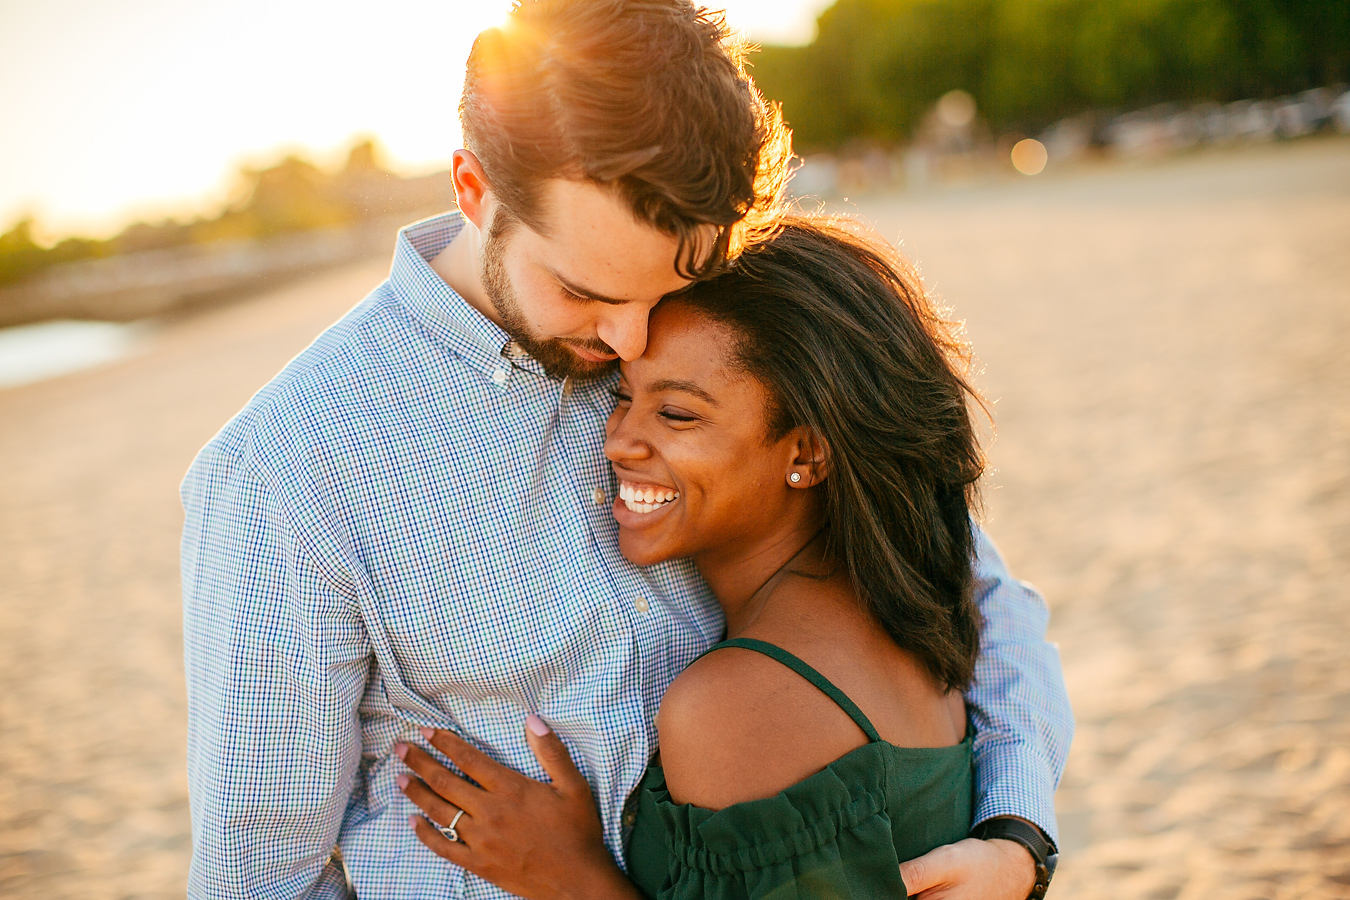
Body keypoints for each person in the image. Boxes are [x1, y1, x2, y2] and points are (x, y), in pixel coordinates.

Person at [179, 2, 1071, 898]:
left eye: (669, 289)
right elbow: (259, 879)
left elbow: (971, 587)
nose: (633, 337)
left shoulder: (715, 286)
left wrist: (1018, 836)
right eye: (583, 292)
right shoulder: (285, 473)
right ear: (472, 188)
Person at [393, 215, 992, 899]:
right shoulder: (911, 610)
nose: (619, 441)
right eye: (622, 397)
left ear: (806, 452)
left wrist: (571, 878)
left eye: (676, 415)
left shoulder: (735, 706)